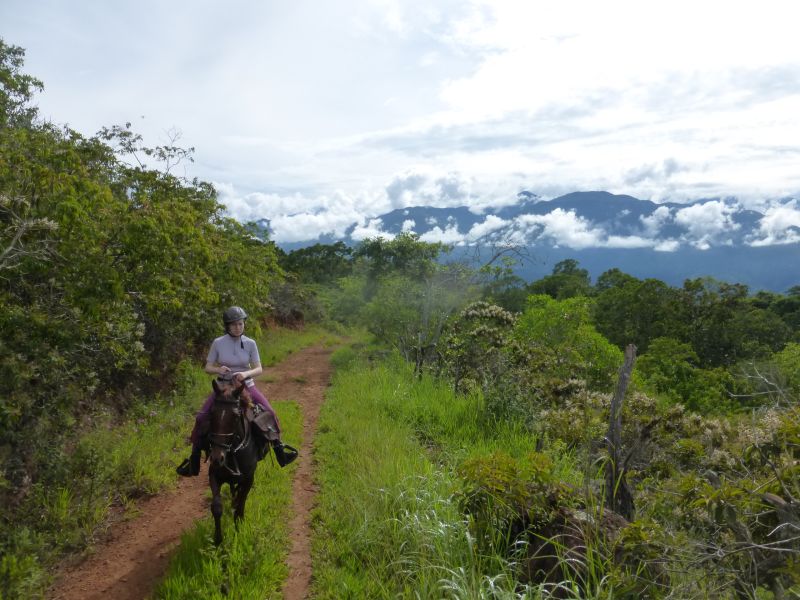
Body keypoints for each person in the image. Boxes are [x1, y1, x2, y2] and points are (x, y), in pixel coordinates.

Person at [176, 306, 298, 476]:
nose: (237, 327)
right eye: (233, 325)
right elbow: (208, 367)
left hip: (246, 385)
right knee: (201, 416)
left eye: (240, 324)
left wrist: (245, 373)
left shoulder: (250, 343)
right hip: (223, 387)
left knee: (269, 411)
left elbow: (259, 368)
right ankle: (194, 459)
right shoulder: (218, 342)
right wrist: (219, 370)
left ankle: (279, 449)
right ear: (227, 326)